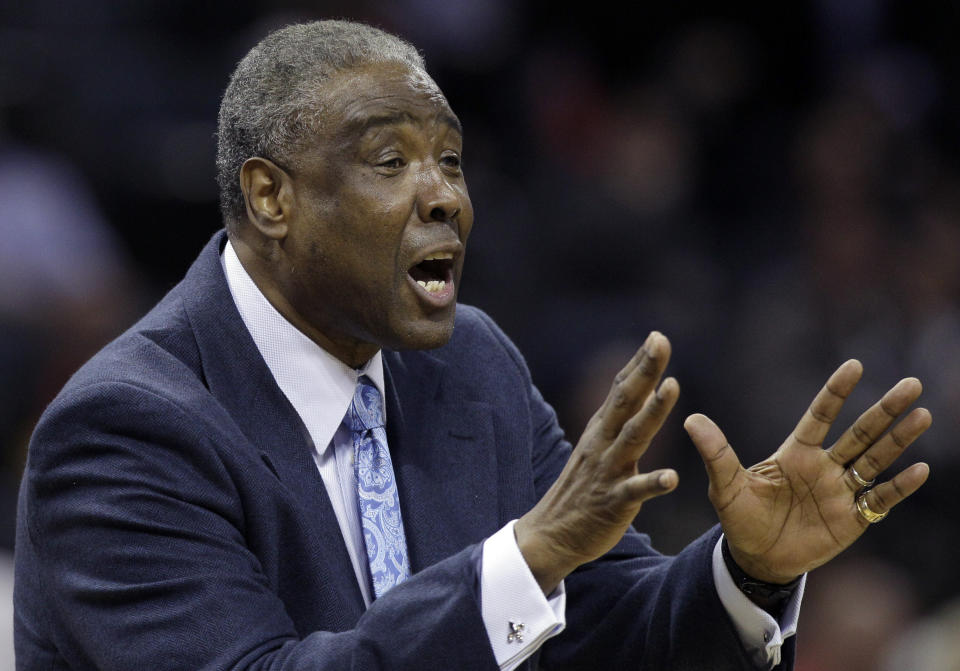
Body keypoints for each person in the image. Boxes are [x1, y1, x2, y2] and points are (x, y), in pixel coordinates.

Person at [14, 20, 931, 671]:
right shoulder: (126, 427)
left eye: (450, 160)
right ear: (270, 198)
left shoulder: (471, 367)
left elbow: (610, 623)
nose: (445, 195)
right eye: (391, 162)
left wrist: (745, 572)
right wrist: (522, 561)